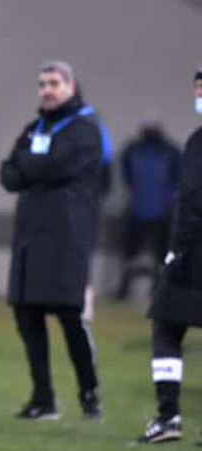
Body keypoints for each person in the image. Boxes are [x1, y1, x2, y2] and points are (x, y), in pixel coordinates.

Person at [0, 60, 104, 421]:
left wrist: (28, 163)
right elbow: (8, 174)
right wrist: (32, 165)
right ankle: (43, 398)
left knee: (71, 319)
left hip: (66, 240)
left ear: (70, 87)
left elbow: (56, 167)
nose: (47, 90)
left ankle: (89, 395)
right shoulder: (35, 128)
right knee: (27, 317)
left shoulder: (86, 129)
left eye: (54, 83)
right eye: (43, 84)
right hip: (29, 239)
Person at [135, 67, 202, 445]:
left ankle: (168, 416)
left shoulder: (197, 142)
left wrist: (177, 249)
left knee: (166, 326)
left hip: (194, 252)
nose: (199, 95)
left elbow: (192, 199)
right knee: (167, 325)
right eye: (197, 88)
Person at [114, 122, 181, 301]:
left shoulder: (137, 150)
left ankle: (136, 289)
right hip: (152, 211)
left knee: (142, 254)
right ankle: (144, 289)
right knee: (142, 254)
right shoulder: (167, 151)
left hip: (148, 211)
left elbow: (127, 178)